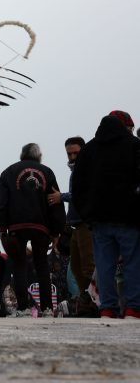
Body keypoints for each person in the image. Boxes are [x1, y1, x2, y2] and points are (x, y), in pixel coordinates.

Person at [72, 111, 140, 319]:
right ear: (125, 126)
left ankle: (107, 308)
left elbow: (78, 186)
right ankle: (133, 308)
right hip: (130, 217)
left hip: (99, 219)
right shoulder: (134, 146)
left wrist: (86, 214)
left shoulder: (89, 149)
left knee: (103, 266)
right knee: (132, 263)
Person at [0, 143, 66, 317]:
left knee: (19, 265)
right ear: (39, 156)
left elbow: (2, 203)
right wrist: (56, 230)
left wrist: (3, 228)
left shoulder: (8, 172)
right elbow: (54, 202)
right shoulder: (47, 173)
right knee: (42, 266)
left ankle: (23, 309)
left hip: (15, 227)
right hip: (41, 226)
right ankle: (48, 308)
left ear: (22, 155)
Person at [48, 136, 98, 317]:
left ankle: (93, 303)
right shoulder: (75, 170)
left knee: (87, 265)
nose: (72, 157)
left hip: (85, 222)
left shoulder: (86, 169)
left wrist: (62, 197)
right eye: (69, 154)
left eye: (76, 153)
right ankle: (85, 301)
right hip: (76, 224)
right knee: (76, 267)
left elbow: (81, 193)